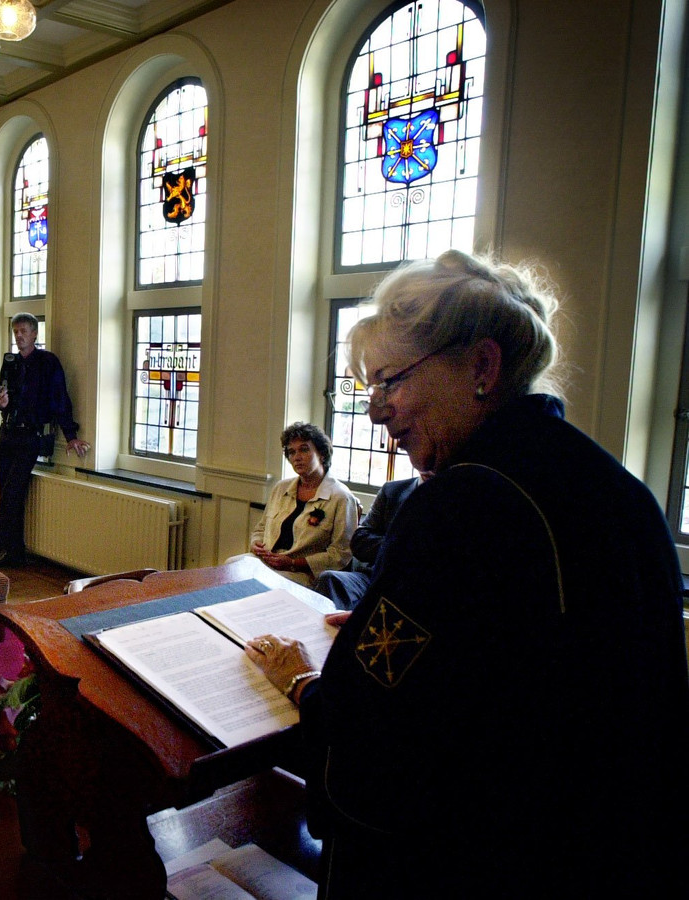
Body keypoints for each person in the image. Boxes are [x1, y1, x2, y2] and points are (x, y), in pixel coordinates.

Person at [245, 250, 689, 898]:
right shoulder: (619, 490)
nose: (375, 411)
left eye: (390, 381)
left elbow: (375, 728)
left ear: (481, 366)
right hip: (601, 850)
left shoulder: (462, 502)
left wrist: (307, 682)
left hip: (470, 860)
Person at [0, 313, 89, 567]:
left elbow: (60, 399)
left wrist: (70, 435)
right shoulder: (10, 362)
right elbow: (2, 398)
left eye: (24, 331)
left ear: (35, 334)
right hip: (6, 434)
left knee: (11, 495)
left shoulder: (48, 362)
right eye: (16, 331)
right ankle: (16, 553)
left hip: (30, 436)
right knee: (8, 495)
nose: (19, 336)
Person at [246, 422, 358, 587]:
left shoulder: (341, 497)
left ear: (322, 454)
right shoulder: (281, 488)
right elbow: (261, 528)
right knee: (230, 566)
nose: (296, 457)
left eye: (304, 449)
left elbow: (340, 554)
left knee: (258, 585)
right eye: (291, 452)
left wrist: (293, 562)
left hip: (302, 573)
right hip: (267, 562)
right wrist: (256, 544)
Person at [313, 474, 424, 610]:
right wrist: (400, 545)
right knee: (330, 579)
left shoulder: (452, 498)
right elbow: (360, 540)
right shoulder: (393, 490)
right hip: (372, 577)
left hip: (414, 587)